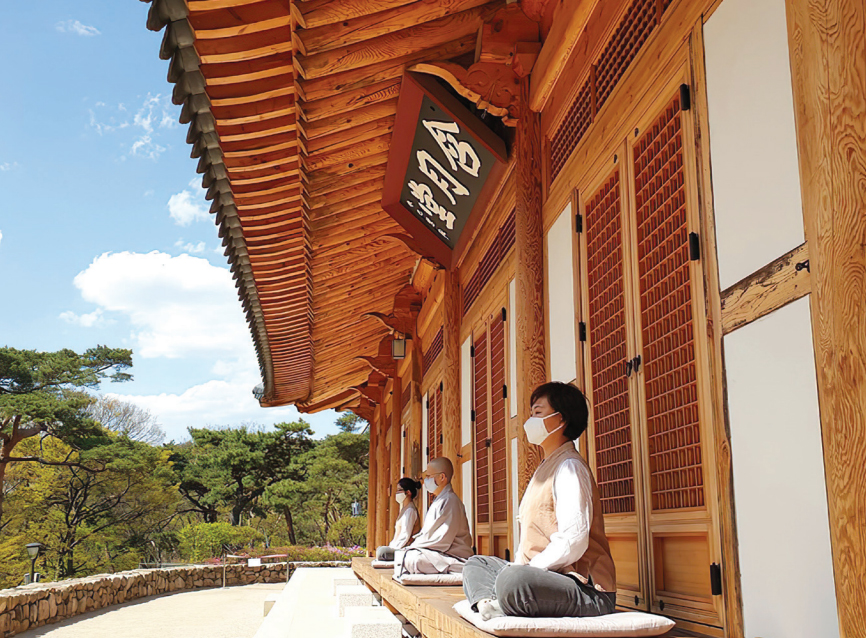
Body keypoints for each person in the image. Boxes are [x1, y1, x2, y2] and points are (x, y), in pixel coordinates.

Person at [462, 382, 617, 619]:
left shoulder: (570, 467)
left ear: (561, 419)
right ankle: (491, 602)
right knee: (477, 564)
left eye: (537, 412)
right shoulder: (546, 467)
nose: (530, 420)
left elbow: (574, 540)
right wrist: (520, 568)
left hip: (585, 589)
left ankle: (500, 598)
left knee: (513, 579)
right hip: (543, 576)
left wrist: (528, 569)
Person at [395, 456, 473, 576]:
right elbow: (428, 535)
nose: (425, 480)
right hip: (438, 552)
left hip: (453, 555)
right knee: (409, 556)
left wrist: (413, 547)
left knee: (415, 560)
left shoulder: (450, 501)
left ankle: (459, 567)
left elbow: (441, 540)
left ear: (442, 477)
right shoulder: (439, 500)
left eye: (429, 476)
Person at [375, 477, 422, 561]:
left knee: (382, 552)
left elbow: (405, 535)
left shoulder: (410, 510)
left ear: (408, 492)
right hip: (398, 548)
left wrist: (394, 549)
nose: (397, 493)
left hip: (404, 550)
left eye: (399, 490)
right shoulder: (404, 509)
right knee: (380, 550)